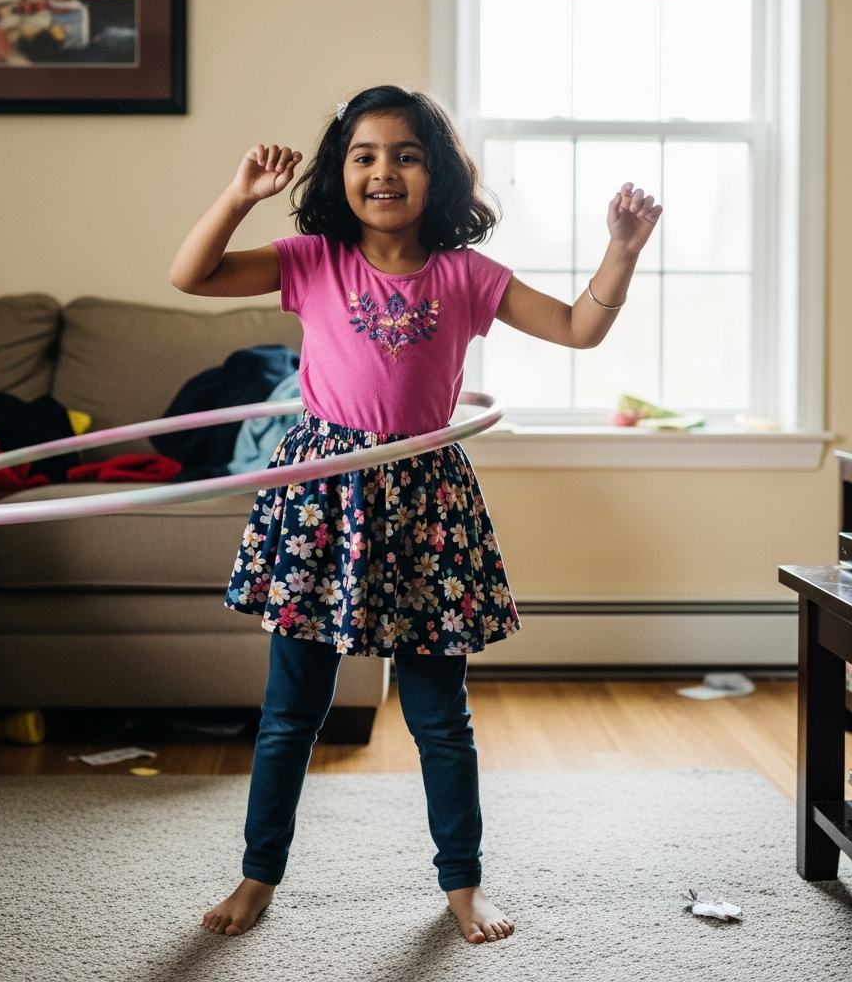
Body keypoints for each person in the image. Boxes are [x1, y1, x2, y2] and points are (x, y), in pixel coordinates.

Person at [169, 85, 661, 943]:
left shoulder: (467, 276)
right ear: (340, 172)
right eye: (364, 155)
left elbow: (581, 329)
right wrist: (239, 196)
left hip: (427, 500)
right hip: (324, 495)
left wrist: (620, 251)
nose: (384, 170)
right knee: (292, 710)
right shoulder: (312, 258)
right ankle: (258, 876)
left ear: (439, 174)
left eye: (406, 154)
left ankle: (462, 885)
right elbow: (191, 274)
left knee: (440, 715)